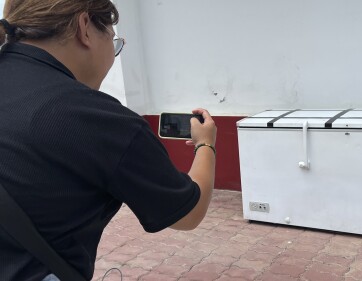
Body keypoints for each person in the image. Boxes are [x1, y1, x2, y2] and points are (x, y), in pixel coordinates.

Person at [0, 0, 217, 280]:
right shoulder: (94, 116)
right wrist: (205, 144)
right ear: (85, 28)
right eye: (114, 42)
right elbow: (188, 212)